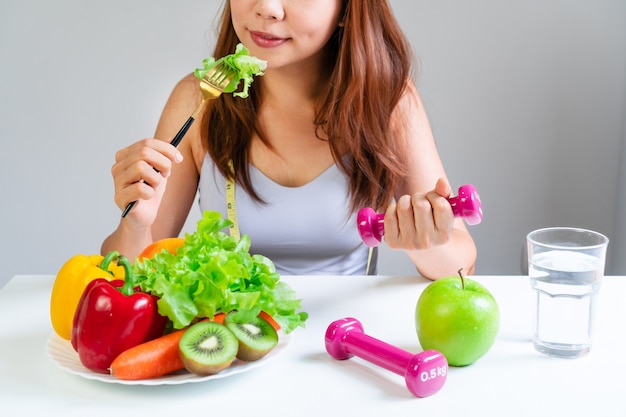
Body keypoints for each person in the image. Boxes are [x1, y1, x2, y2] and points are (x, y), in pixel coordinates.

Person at [101, 0, 477, 279]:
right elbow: (125, 277)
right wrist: (134, 226)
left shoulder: (388, 103)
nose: (267, 8)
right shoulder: (198, 100)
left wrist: (430, 240)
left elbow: (463, 262)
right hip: (233, 349)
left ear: (347, 9)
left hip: (346, 345)